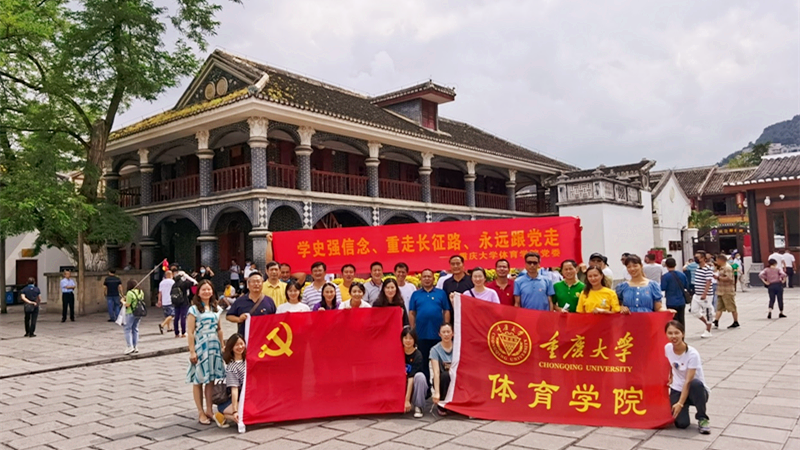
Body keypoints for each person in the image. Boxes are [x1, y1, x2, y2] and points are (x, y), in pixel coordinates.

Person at [186, 279, 225, 425]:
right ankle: (200, 412)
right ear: (198, 292)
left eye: (209, 289)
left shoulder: (216, 308)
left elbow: (219, 329)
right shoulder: (194, 310)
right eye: (203, 289)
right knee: (199, 380)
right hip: (201, 345)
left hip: (214, 345)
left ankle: (209, 409)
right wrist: (192, 351)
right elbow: (190, 332)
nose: (206, 292)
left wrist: (222, 346)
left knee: (210, 379)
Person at [665, 320, 711, 434]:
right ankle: (683, 407)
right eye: (670, 333)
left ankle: (702, 418)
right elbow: (670, 362)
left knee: (695, 384)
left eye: (677, 333)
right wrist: (671, 376)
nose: (673, 336)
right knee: (681, 424)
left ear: (683, 334)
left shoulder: (692, 354)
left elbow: (688, 381)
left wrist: (680, 403)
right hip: (677, 389)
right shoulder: (668, 348)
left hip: (695, 390)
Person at [409, 268, 451, 383]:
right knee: (423, 363)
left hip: (438, 335)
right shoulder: (416, 294)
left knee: (441, 363)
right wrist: (413, 329)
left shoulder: (441, 293)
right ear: (421, 279)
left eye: (429, 276)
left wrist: (446, 328)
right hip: (421, 334)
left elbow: (446, 310)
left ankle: (441, 386)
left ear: (433, 278)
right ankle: (426, 387)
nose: (427, 279)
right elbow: (412, 312)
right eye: (424, 277)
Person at [226, 272, 277, 337]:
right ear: (248, 284)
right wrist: (239, 319)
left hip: (264, 338)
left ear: (262, 284)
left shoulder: (269, 301)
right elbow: (228, 316)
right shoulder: (240, 301)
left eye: (258, 281)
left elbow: (275, 319)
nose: (256, 284)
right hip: (245, 337)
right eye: (253, 282)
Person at [215, 333, 246, 428]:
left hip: (244, 398)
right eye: (236, 345)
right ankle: (223, 416)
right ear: (231, 347)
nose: (240, 347)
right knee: (245, 414)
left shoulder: (248, 361)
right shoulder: (232, 367)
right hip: (230, 401)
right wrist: (235, 410)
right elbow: (234, 389)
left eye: (241, 344)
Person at [401, 328, 427, 419]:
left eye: (410, 338)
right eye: (405, 338)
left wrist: (407, 400)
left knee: (420, 377)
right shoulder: (397, 353)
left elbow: (411, 378)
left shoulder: (418, 355)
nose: (408, 341)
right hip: (400, 385)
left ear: (414, 340)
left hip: (412, 386)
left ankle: (418, 406)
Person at [430, 323, 454, 416]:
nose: (446, 334)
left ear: (453, 333)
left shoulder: (458, 347)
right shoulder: (434, 350)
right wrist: (436, 393)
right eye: (443, 332)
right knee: (445, 375)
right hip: (442, 381)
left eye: (448, 332)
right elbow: (436, 372)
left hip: (456, 379)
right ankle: (442, 405)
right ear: (439, 334)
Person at [691, 251, 715, 338]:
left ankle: (708, 330)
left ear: (703, 258)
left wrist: (705, 293)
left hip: (706, 295)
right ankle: (707, 323)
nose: (696, 259)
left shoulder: (707, 269)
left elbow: (708, 281)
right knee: (694, 311)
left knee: (708, 311)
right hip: (697, 294)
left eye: (698, 257)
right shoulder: (698, 268)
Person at [713, 254, 740, 329]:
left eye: (717, 260)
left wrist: (718, 278)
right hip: (721, 290)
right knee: (719, 307)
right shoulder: (721, 267)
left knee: (731, 307)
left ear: (721, 260)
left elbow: (729, 278)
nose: (716, 261)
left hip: (727, 291)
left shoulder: (727, 268)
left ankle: (736, 321)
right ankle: (716, 321)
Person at [661, 258, 689, 326]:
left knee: (673, 320)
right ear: (675, 264)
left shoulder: (665, 276)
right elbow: (686, 285)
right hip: (681, 300)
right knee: (681, 319)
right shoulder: (682, 275)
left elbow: (662, 287)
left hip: (671, 301)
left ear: (666, 265)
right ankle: (682, 331)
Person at [171, 266, 197, 339]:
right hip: (184, 301)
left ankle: (176, 333)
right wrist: (187, 276)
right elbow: (194, 283)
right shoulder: (184, 283)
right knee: (183, 316)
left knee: (176, 317)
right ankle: (183, 332)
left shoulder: (174, 285)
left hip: (176, 302)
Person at [121, 279, 144, 354]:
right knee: (135, 329)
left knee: (127, 329)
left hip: (130, 312)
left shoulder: (130, 293)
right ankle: (135, 346)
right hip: (139, 312)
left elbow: (128, 304)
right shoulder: (140, 292)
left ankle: (129, 346)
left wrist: (122, 301)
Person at [157, 270, 175, 334]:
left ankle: (169, 327)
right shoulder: (173, 282)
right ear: (171, 275)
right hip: (171, 300)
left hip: (164, 301)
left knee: (167, 315)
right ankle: (162, 325)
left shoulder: (161, 283)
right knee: (172, 314)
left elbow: (160, 293)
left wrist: (159, 300)